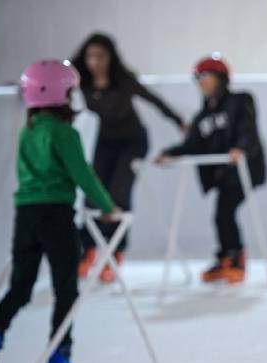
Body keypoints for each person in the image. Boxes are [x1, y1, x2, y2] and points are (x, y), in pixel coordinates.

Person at [0, 60, 121, 363]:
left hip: (26, 215)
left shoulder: (29, 131)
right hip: (55, 215)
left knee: (20, 287)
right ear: (62, 93)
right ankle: (58, 362)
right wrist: (107, 207)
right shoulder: (65, 133)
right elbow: (84, 175)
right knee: (66, 289)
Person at [70, 33, 184, 283]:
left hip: (132, 141)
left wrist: (179, 121)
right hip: (104, 143)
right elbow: (57, 89)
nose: (94, 62)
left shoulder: (123, 80)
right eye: (90, 56)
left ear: (110, 57)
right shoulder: (81, 81)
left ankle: (115, 253)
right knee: (93, 193)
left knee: (119, 194)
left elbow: (154, 100)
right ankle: (87, 251)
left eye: (100, 56)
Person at [155, 54, 266, 284]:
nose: (201, 81)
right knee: (221, 215)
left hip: (243, 169)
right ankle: (226, 256)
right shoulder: (203, 115)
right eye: (198, 77)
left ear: (220, 78)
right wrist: (169, 154)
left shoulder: (241, 100)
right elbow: (192, 144)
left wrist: (240, 149)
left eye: (206, 76)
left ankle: (235, 258)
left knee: (224, 213)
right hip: (224, 174)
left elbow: (249, 130)